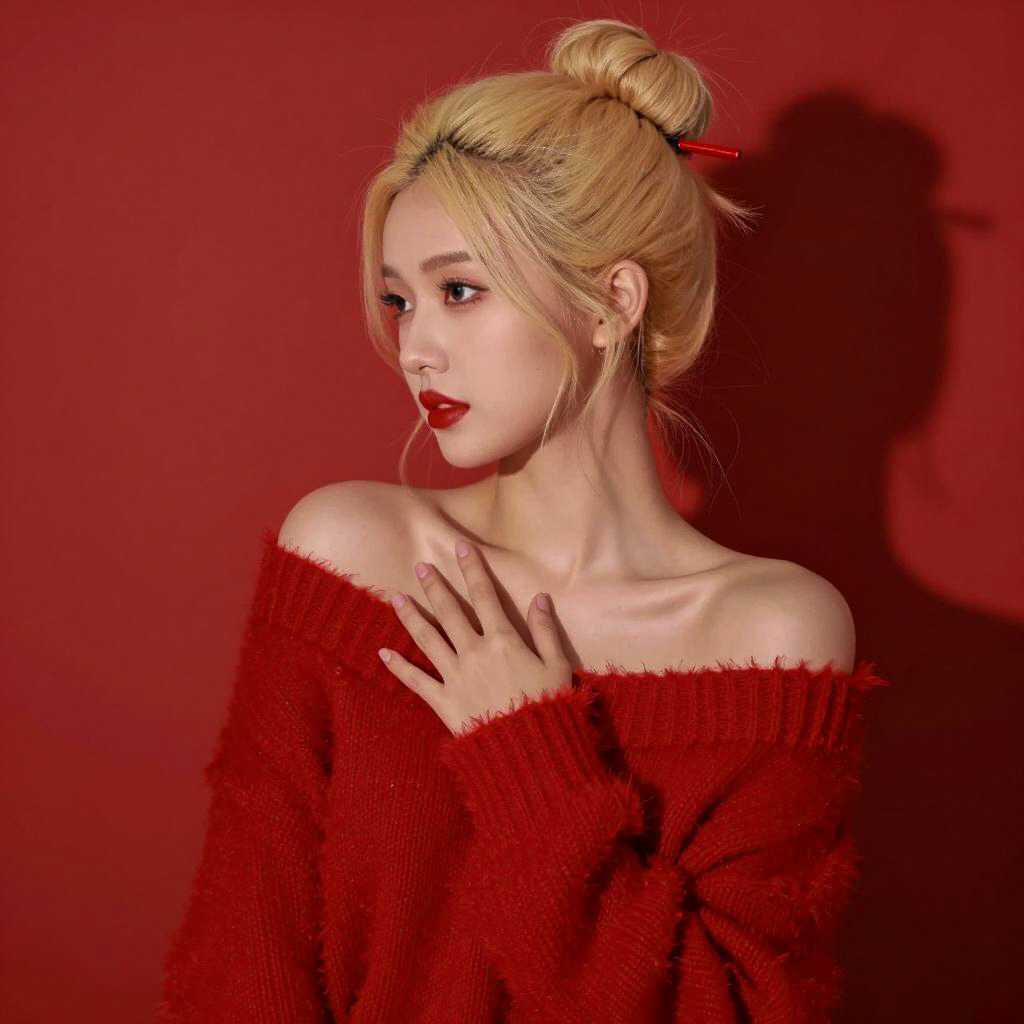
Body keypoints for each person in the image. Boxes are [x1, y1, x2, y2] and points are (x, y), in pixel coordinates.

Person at [158, 17, 889, 1023]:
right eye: (399, 301)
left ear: (610, 303)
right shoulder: (353, 555)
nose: (414, 348)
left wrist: (526, 749)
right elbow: (241, 967)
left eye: (458, 290)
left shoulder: (775, 633)